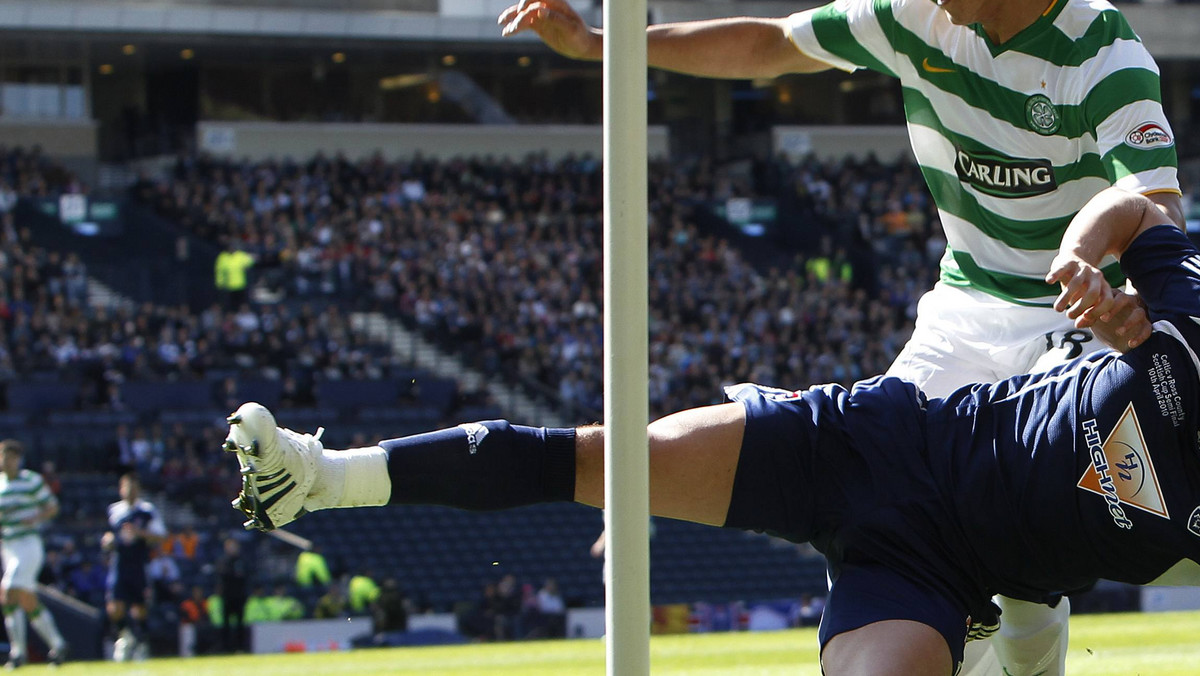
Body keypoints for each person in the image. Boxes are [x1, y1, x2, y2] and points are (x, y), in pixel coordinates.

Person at [222, 187, 1199, 675]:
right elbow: (1146, 208)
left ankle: (996, 626)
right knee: (598, 460)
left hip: (938, 568)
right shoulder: (1189, 327)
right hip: (875, 439)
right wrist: (1079, 259)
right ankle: (316, 473)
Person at [496, 1, 1185, 674]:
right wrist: (599, 43)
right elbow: (770, 45)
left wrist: (1125, 294)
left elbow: (1154, 207)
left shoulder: (1103, 50)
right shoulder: (910, 17)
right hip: (967, 312)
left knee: (1026, 565)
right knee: (880, 507)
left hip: (1083, 322)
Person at [0, 440, 68, 668]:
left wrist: (35, 518)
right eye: (3, 456)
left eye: (11, 457)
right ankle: (58, 645)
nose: (7, 461)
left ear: (18, 459)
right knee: (25, 600)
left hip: (28, 544)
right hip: (8, 547)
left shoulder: (31, 480)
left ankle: (18, 653)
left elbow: (52, 507)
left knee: (9, 590)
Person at [103, 472, 166, 662]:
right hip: (119, 563)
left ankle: (141, 642)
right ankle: (125, 637)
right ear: (121, 489)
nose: (130, 490)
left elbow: (161, 536)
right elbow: (109, 535)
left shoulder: (147, 510)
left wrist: (141, 533)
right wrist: (108, 541)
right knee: (115, 607)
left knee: (139, 607)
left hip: (139, 563)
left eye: (133, 487)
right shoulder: (114, 510)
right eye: (126, 486)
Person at [213, 537, 248, 653]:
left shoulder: (242, 560)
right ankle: (225, 648)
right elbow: (222, 576)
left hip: (239, 596)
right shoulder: (223, 561)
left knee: (240, 623)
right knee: (226, 623)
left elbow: (246, 576)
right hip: (227, 595)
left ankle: (240, 648)